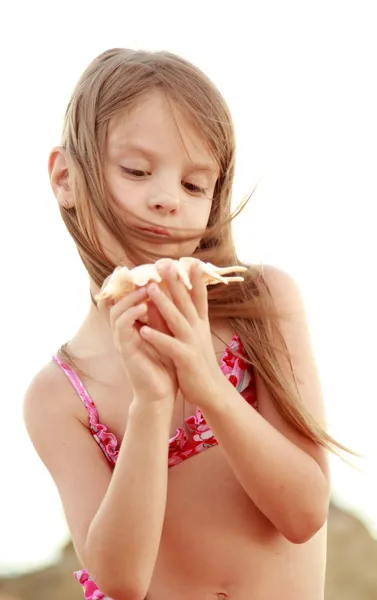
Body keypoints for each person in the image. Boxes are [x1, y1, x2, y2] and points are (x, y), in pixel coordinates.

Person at [23, 48, 341, 600]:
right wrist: (149, 405)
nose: (167, 199)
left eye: (196, 186)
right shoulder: (59, 394)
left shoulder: (261, 305)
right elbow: (120, 579)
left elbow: (303, 513)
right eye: (137, 171)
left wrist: (206, 382)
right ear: (65, 178)